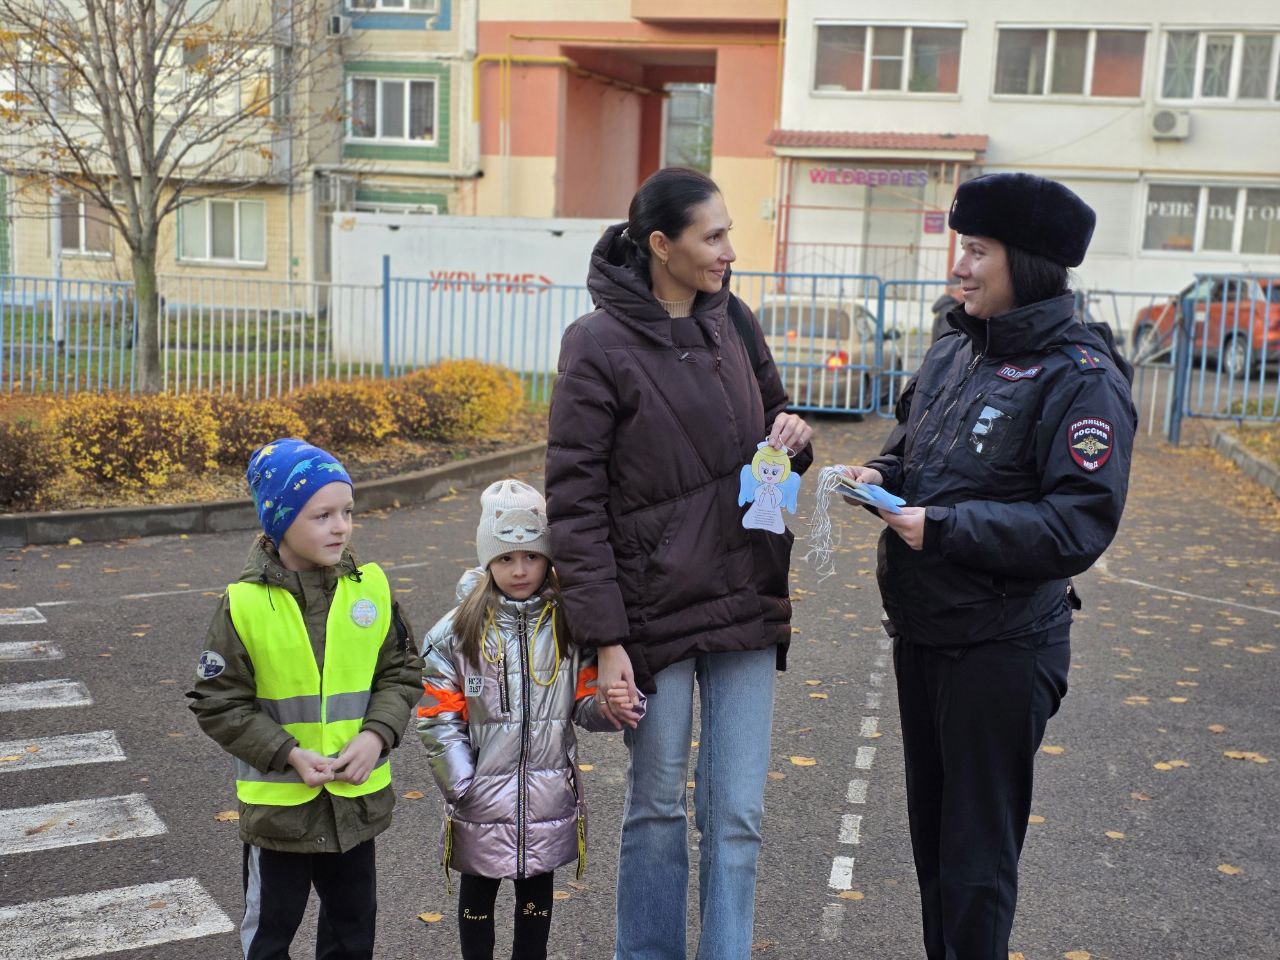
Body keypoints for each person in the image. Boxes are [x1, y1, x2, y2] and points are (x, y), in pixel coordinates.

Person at [843, 172, 1137, 960]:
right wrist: (881, 474)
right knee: (935, 846)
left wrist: (940, 528)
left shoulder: (1080, 378)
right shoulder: (955, 344)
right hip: (926, 632)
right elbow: (918, 450)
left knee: (976, 862)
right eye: (959, 248)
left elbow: (1077, 524)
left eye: (976, 251)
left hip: (1002, 647)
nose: (959, 267)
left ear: (1030, 264)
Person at [544, 166, 814, 960]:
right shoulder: (595, 345)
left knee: (737, 815)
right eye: (714, 236)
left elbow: (774, 434)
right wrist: (606, 640)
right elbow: (576, 504)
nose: (730, 250)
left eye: (730, 233)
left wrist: (793, 443)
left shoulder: (736, 322)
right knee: (657, 807)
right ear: (661, 245)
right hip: (649, 619)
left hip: (744, 602)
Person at [188, 438, 424, 960]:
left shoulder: (371, 590)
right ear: (279, 522)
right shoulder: (243, 605)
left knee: (352, 930)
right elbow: (217, 701)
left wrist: (376, 734)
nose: (341, 526)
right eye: (322, 515)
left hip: (354, 805)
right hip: (278, 817)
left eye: (347, 512)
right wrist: (288, 753)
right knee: (270, 934)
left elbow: (402, 670)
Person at [417, 478, 642, 960]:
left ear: (548, 557)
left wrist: (612, 704)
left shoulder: (568, 624)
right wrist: (462, 783)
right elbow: (437, 715)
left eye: (532, 556)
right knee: (477, 897)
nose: (520, 570)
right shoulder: (455, 633)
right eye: (505, 558)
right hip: (479, 793)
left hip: (547, 793)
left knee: (536, 900)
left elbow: (584, 703)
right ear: (487, 561)